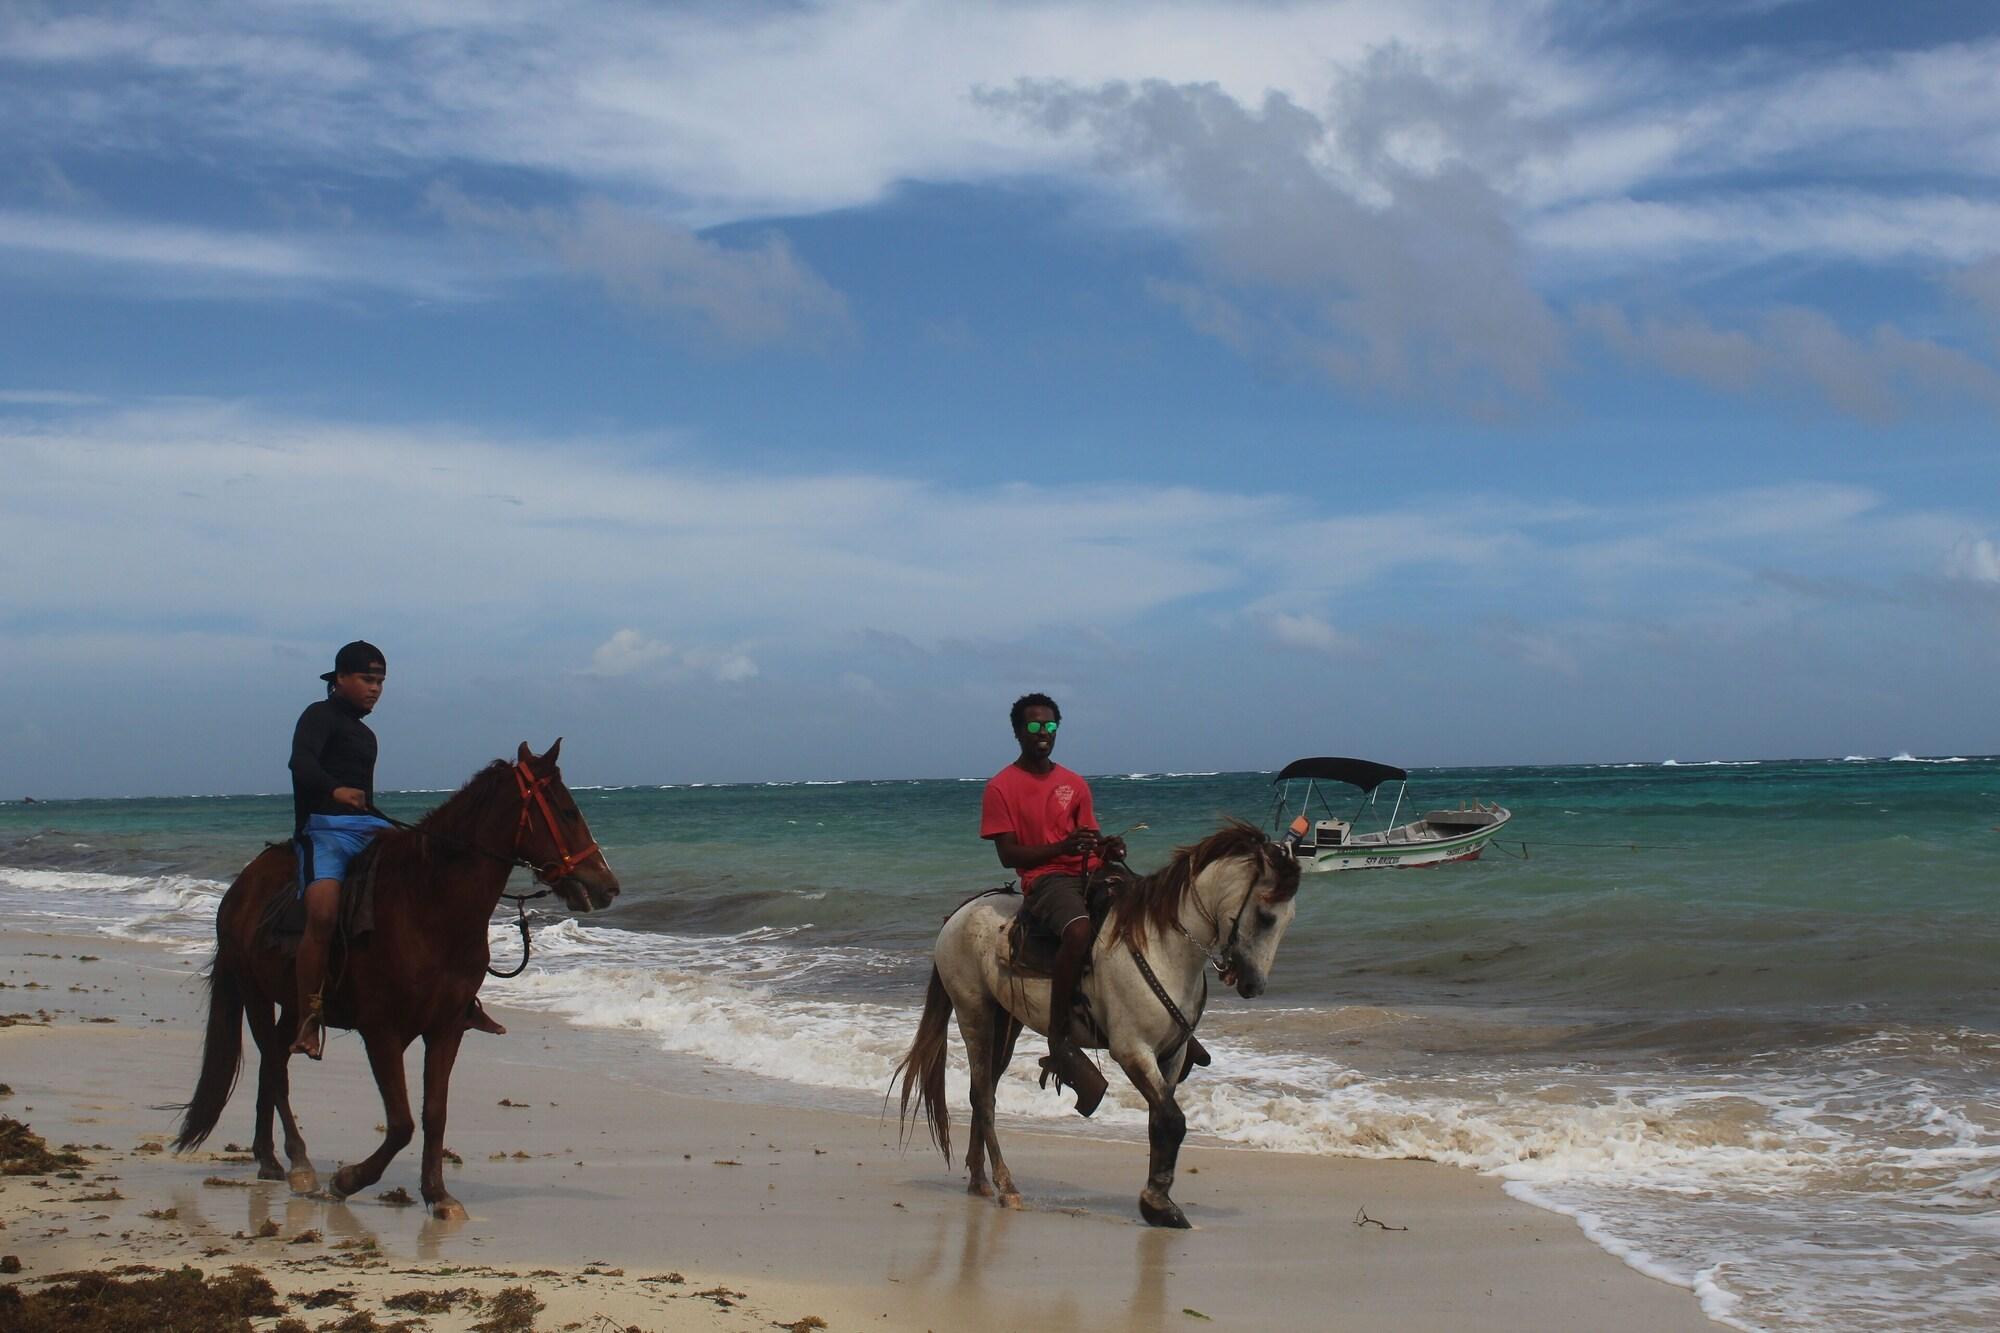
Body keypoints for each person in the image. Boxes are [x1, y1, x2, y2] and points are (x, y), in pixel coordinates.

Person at [287, 641, 504, 1059]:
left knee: (435, 880)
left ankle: (462, 998)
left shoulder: (366, 735)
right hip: (324, 829)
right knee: (323, 912)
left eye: (381, 682)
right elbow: (301, 764)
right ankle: (309, 1014)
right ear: (340, 678)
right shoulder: (318, 716)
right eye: (367, 679)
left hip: (369, 827)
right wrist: (335, 790)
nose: (376, 689)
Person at [980, 693, 1123, 1116]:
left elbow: (1088, 838)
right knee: (1078, 931)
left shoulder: (1074, 783)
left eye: (1049, 726)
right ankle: (1059, 1039)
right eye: (1034, 726)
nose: (1043, 733)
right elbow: (1008, 855)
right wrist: (1062, 847)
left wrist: (1107, 847)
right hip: (1045, 879)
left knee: (1147, 908)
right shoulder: (1001, 787)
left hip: (1088, 870)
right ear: (1018, 732)